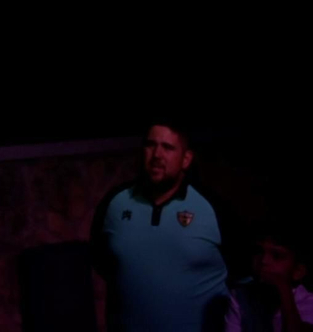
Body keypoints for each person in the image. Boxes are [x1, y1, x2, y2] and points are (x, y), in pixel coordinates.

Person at [90, 121, 231, 331]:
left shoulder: (212, 208)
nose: (156, 155)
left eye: (167, 147)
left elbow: (242, 276)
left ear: (186, 159)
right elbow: (102, 261)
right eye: (150, 145)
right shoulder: (116, 203)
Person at [225, 225, 313, 332]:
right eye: (259, 251)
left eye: (277, 256)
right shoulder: (240, 297)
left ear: (298, 271)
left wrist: (283, 288)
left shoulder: (307, 301)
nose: (264, 260)